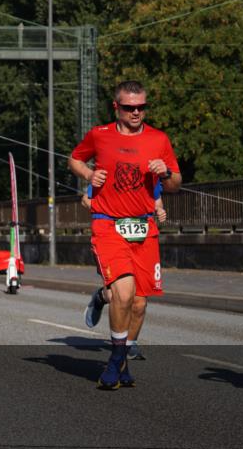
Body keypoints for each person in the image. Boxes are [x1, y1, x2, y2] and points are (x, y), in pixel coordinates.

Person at [69, 80, 181, 389]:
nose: (136, 112)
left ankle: (121, 356)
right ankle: (117, 360)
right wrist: (89, 175)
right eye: (130, 107)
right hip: (108, 225)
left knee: (139, 304)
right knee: (124, 292)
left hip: (144, 228)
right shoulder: (99, 135)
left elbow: (176, 183)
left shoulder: (159, 139)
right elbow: (75, 159)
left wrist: (167, 174)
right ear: (116, 107)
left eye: (141, 107)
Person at [81, 181, 167, 361]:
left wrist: (159, 211)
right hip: (112, 238)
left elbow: (157, 203)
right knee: (118, 297)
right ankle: (101, 297)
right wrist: (113, 212)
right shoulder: (110, 170)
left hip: (141, 240)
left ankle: (130, 343)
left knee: (139, 302)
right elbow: (86, 200)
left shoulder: (150, 174)